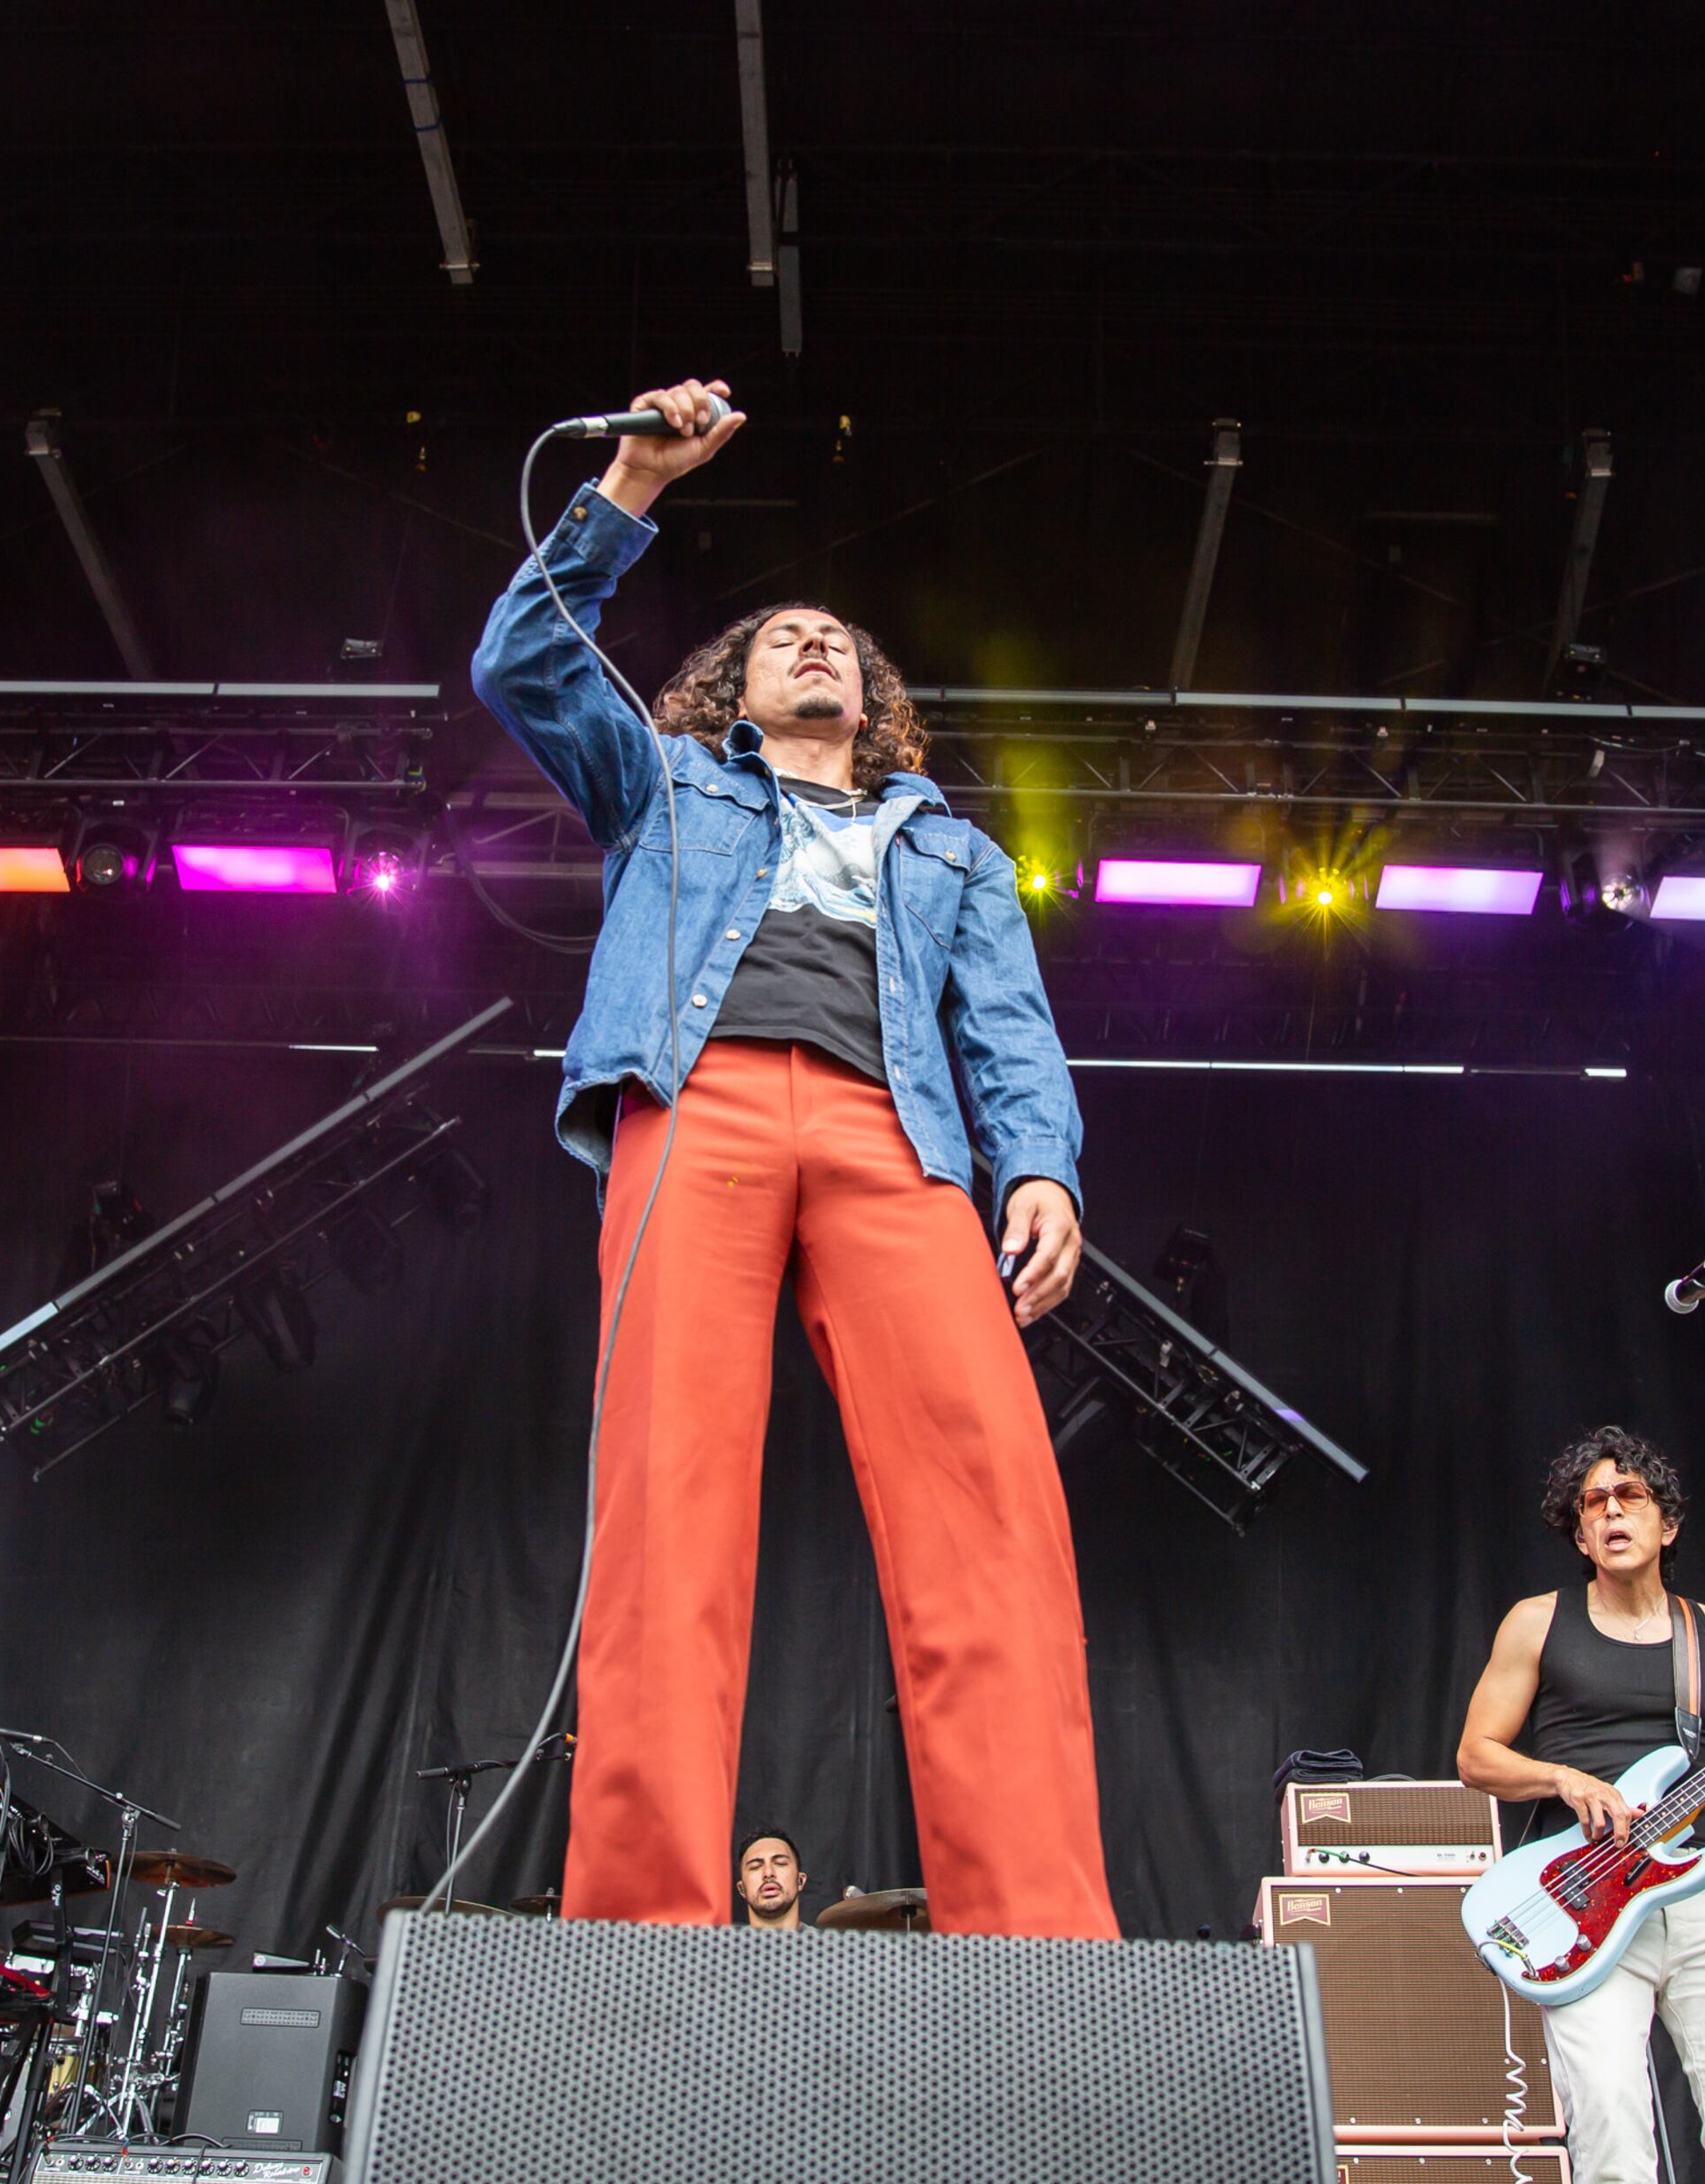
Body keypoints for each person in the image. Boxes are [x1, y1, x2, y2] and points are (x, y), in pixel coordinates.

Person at [471, 377, 1115, 1940]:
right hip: (696, 1109)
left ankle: (1036, 1936)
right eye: (782, 635)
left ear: (876, 695)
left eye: (842, 637)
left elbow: (1012, 1027)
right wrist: (631, 479)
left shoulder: (950, 846)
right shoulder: (668, 780)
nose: (817, 640)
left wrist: (1041, 1166)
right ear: (731, 690)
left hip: (897, 1137)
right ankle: (638, 1928)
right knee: (669, 1506)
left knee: (993, 1509)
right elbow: (523, 657)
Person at [1455, 1427, 1705, 2184]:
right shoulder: (1538, 1621)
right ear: (1580, 1534)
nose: (1611, 1511)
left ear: (1667, 1523)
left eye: (1629, 1496)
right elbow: (1476, 1755)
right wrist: (1563, 1781)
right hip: (1581, 1897)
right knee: (1611, 2131)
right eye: (1593, 1503)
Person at [736, 1829, 809, 1930]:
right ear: (742, 1888)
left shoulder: (826, 1945)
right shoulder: (724, 1945)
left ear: (800, 1880)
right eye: (755, 1867)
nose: (768, 1873)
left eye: (780, 1863)